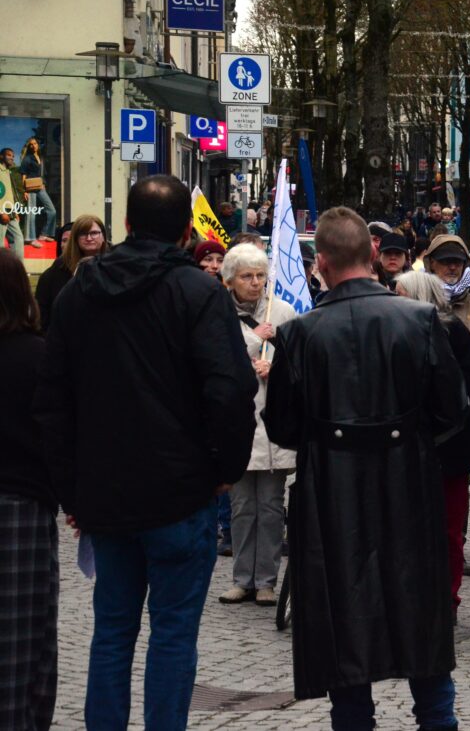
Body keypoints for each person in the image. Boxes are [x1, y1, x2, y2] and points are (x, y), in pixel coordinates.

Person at [33, 175, 257, 730]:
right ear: (187, 231)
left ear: (126, 225)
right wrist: (225, 470)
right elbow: (230, 389)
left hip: (106, 492)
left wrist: (71, 489)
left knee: (112, 630)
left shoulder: (80, 291)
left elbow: (52, 399)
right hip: (182, 493)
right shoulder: (200, 293)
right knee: (174, 634)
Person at [262, 207, 466, 730]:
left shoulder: (300, 334)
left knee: (343, 626)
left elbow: (282, 426)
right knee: (420, 624)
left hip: (333, 496)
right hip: (409, 491)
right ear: (373, 254)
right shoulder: (420, 321)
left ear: (321, 262)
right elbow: (451, 411)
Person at [216, 244, 298, 607]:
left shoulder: (282, 311)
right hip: (237, 423)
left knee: (270, 508)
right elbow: (218, 355)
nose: (255, 283)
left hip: (273, 423)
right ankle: (241, 578)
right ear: (230, 280)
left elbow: (299, 360)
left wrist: (274, 367)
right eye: (247, 276)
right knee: (241, 507)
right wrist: (254, 342)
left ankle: (266, 580)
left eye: (260, 275)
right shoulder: (218, 313)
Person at [396, 271, 470, 617]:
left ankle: (447, 597)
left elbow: (465, 392)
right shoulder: (395, 330)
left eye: (401, 293)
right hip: (404, 448)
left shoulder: (453, 334)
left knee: (447, 528)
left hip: (447, 448)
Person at [0, 249, 56, 730]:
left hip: (24, 502)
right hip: (21, 510)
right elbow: (57, 437)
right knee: (22, 648)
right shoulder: (38, 356)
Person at [423, 234, 470, 387]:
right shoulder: (418, 298)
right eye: (445, 261)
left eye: (457, 262)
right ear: (431, 263)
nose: (452, 267)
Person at [34, 215, 109, 334]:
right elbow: (42, 317)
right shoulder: (56, 271)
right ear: (76, 238)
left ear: (103, 236)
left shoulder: (116, 265)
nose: (89, 238)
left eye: (94, 233)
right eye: (83, 234)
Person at [19, 138, 57, 245]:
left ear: (38, 145)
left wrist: (43, 183)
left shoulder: (40, 157)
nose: (33, 146)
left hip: (40, 187)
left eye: (35, 143)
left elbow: (41, 174)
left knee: (52, 210)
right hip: (30, 188)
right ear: (29, 147)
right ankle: (30, 238)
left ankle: (44, 234)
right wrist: (24, 191)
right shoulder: (27, 158)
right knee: (31, 213)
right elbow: (23, 175)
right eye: (31, 144)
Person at [1, 147, 26, 255]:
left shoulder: (8, 172)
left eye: (13, 156)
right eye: (9, 155)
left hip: (10, 211)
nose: (12, 158)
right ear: (1, 156)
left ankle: (16, 269)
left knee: (18, 239)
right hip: (2, 211)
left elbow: (9, 194)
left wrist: (14, 211)